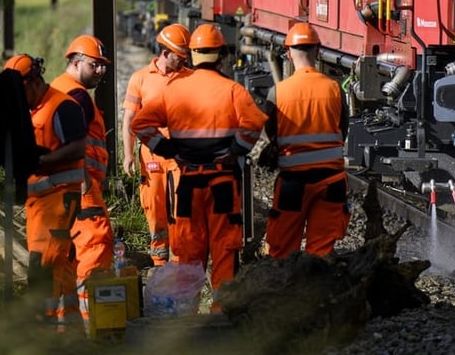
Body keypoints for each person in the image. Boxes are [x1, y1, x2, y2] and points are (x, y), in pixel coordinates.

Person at [131, 23, 266, 307]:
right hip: (222, 186)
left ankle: (184, 317)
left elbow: (140, 124)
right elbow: (254, 124)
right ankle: (220, 315)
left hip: (189, 184)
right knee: (224, 251)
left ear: (192, 55)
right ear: (221, 56)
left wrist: (169, 150)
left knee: (188, 253)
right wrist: (235, 151)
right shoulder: (233, 91)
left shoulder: (173, 90)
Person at [4, 53, 86, 332]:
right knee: (58, 261)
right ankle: (69, 324)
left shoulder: (62, 106)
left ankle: (43, 326)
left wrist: (41, 161)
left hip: (59, 199)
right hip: (39, 203)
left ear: (34, 81)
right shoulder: (29, 111)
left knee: (44, 263)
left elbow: (77, 148)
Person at [261, 22, 351, 258]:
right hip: (331, 182)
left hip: (293, 183)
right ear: (318, 51)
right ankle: (317, 292)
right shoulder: (334, 89)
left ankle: (285, 293)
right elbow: (344, 129)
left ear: (288, 53)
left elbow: (271, 134)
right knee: (321, 253)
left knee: (282, 250)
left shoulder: (278, 92)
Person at [51, 34, 115, 334]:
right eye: (95, 65)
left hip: (62, 188)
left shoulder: (60, 90)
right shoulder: (74, 96)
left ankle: (67, 325)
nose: (100, 71)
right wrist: (86, 182)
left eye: (103, 65)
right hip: (81, 187)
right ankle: (95, 326)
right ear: (75, 62)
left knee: (68, 255)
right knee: (95, 244)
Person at [121, 23, 191, 266]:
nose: (183, 61)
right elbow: (129, 119)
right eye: (179, 57)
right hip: (151, 155)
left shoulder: (189, 78)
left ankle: (181, 260)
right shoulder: (140, 78)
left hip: (180, 155)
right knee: (154, 207)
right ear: (165, 52)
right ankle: (159, 261)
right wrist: (128, 154)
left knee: (182, 208)